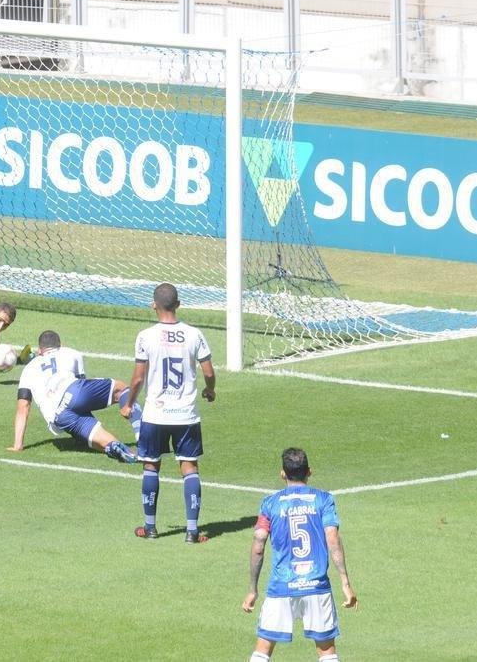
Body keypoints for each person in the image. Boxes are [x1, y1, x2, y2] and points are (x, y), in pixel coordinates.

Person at [120, 282, 216, 542]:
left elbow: (138, 378)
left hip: (155, 414)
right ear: (178, 305)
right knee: (189, 467)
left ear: (153, 304)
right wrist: (210, 390)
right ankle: (192, 531)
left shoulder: (145, 336)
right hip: (186, 415)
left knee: (151, 465)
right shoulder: (194, 334)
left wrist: (129, 404)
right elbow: (208, 372)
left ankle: (150, 527)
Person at [242, 448, 358, 662]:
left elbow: (258, 544)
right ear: (309, 472)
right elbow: (333, 540)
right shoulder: (324, 500)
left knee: (262, 650)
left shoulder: (270, 504)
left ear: (282, 474)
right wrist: (345, 582)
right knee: (327, 653)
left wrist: (252, 589)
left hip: (281, 586)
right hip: (316, 586)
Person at [7, 329, 138, 464]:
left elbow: (23, 408)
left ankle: (113, 446)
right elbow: (82, 385)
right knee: (121, 389)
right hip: (73, 392)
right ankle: (141, 437)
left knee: (105, 442)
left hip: (59, 416)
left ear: (40, 350)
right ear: (61, 345)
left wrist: (18, 445)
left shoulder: (28, 369)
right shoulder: (71, 353)